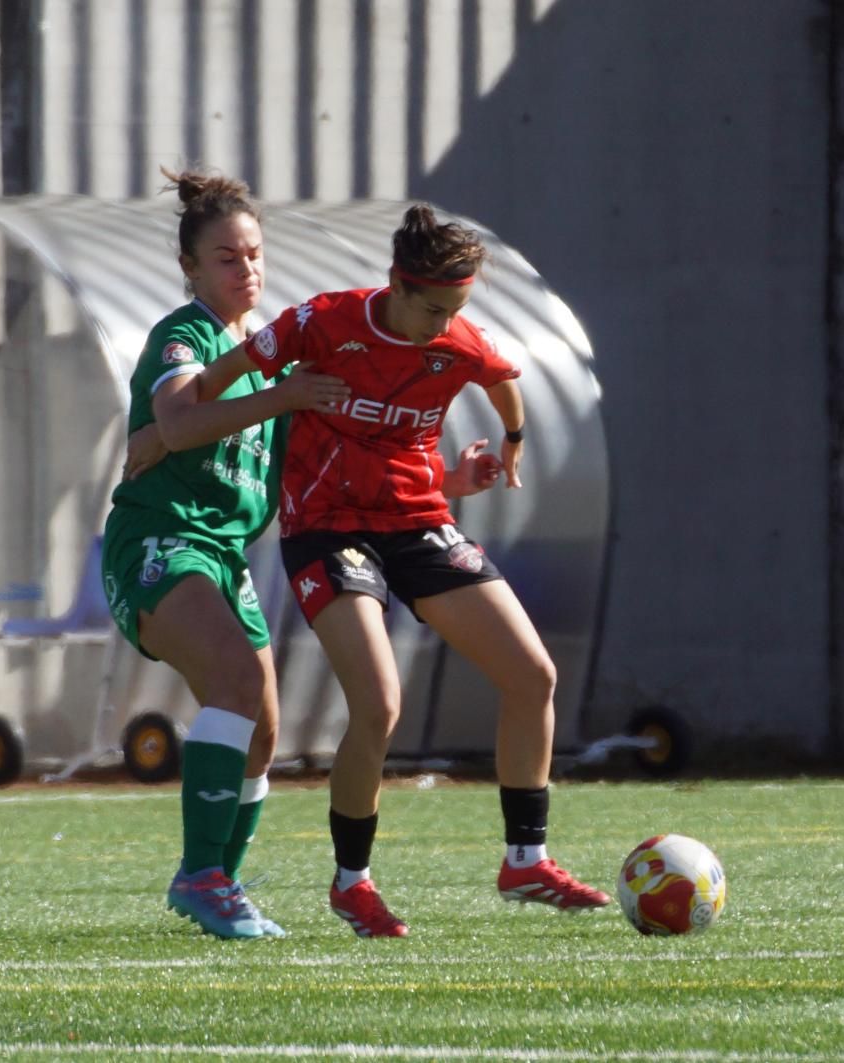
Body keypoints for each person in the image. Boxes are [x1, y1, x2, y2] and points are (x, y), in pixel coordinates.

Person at [190, 203, 611, 937]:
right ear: (396, 283)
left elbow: (501, 379)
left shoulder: (456, 338)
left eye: (458, 308)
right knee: (380, 703)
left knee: (532, 675)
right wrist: (279, 398)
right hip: (325, 531)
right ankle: (352, 882)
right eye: (434, 308)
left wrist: (509, 442)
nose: (444, 324)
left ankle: (525, 859)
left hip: (419, 524)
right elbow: (209, 387)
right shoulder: (320, 323)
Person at [100, 168, 351, 940]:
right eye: (225, 258)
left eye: (253, 255)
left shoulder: (270, 360)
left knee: (265, 728)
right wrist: (280, 396)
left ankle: (222, 882)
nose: (246, 270)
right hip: (159, 539)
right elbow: (176, 420)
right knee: (238, 682)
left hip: (222, 554)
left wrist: (450, 476)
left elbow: (330, 466)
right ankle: (201, 876)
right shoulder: (189, 333)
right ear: (190, 268)